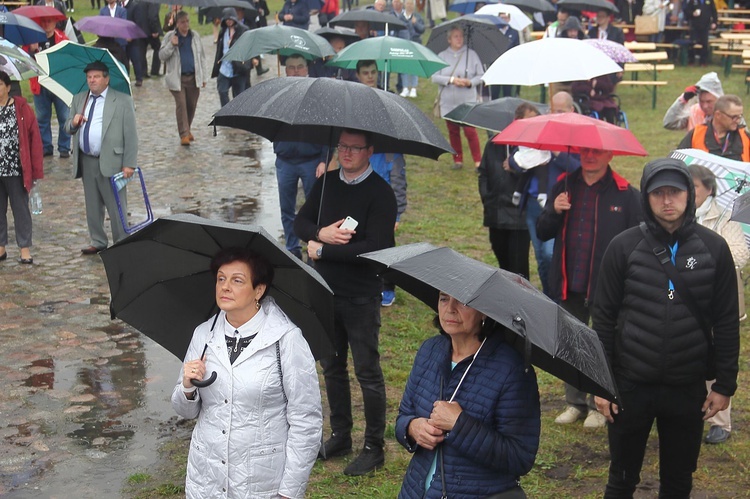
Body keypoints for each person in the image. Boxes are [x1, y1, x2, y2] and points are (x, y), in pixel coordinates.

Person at [593, 158, 740, 497]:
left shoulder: (714, 248)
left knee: (678, 480)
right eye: (658, 193)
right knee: (621, 478)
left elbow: (726, 320)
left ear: (689, 195)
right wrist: (601, 384)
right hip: (630, 386)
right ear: (646, 197)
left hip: (687, 387)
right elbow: (602, 318)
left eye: (675, 192)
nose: (667, 201)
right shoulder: (623, 247)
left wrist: (725, 385)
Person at [173, 247, 322, 499]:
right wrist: (187, 386)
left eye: (237, 280)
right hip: (206, 476)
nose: (225, 287)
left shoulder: (286, 340)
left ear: (259, 290)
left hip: (261, 482)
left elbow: (306, 420)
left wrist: (290, 490)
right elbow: (185, 412)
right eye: (221, 278)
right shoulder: (204, 334)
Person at [294, 129, 397, 476]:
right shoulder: (326, 182)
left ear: (370, 150)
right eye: (343, 147)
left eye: (355, 148)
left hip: (360, 294)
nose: (347, 153)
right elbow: (301, 222)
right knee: (332, 367)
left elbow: (377, 247)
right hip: (324, 290)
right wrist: (319, 233)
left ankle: (373, 446)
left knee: (367, 371)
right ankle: (340, 435)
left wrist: (325, 249)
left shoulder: (381, 193)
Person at [396, 293, 540, 498]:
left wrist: (459, 424)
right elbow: (403, 415)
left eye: (463, 302)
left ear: (484, 311)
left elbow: (519, 457)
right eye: (444, 299)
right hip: (415, 491)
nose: (450, 309)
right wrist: (412, 428)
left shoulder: (511, 369)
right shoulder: (429, 351)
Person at [536, 146, 641, 428]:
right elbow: (543, 231)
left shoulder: (627, 194)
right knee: (571, 344)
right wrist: (554, 211)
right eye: (585, 151)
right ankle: (575, 402)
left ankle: (599, 403)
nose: (590, 156)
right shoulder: (564, 185)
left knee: (604, 346)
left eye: (597, 152)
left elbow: (638, 244)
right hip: (570, 281)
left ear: (610, 156)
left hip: (608, 287)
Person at [688, 163, 748, 445]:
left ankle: (720, 422)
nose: (689, 192)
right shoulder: (680, 218)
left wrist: (707, 257)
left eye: (695, 187)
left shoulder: (724, 218)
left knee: (717, 355)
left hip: (719, 302)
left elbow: (739, 254)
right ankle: (690, 411)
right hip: (687, 301)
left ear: (709, 189)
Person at [64, 61, 138, 254]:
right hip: (86, 160)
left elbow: (130, 134)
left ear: (107, 78)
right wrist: (73, 122)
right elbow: (67, 128)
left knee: (116, 205)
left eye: (96, 77)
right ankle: (97, 240)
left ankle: (121, 239)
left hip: (112, 161)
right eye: (89, 77)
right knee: (92, 204)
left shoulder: (122, 101)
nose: (92, 80)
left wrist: (129, 163)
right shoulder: (80, 99)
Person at [511, 93, 580, 296]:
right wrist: (520, 163)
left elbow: (579, 168)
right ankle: (549, 298)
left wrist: (556, 153)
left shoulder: (577, 136)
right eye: (552, 110)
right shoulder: (540, 129)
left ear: (571, 111)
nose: (555, 115)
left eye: (560, 111)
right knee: (540, 256)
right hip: (533, 203)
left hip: (556, 204)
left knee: (551, 254)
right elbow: (516, 158)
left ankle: (558, 299)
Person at [354, 60, 407, 307]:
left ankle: (388, 285)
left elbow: (398, 178)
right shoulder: (354, 102)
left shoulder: (390, 101)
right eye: (365, 73)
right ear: (358, 75)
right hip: (362, 178)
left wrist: (398, 211)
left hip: (384, 172)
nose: (370, 76)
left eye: (373, 72)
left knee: (386, 244)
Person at [273, 55, 329, 259]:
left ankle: (313, 247)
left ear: (307, 69)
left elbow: (327, 128)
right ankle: (292, 247)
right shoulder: (278, 94)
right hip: (285, 160)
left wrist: (324, 158)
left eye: (299, 67)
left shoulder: (317, 95)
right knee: (286, 208)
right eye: (291, 67)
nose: (295, 71)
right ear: (285, 70)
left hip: (311, 160)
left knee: (314, 208)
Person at [478, 103, 536, 279]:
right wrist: (487, 198)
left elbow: (537, 178)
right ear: (516, 121)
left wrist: (517, 168)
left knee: (518, 268)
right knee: (502, 260)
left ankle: (522, 302)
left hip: (519, 218)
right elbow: (483, 173)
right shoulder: (494, 144)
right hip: (495, 214)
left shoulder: (535, 149)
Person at [0, 71, 44, 265]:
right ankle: (0, 246)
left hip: (16, 169)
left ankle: (24, 248)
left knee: (20, 209)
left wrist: (35, 170)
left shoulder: (22, 108)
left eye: (0, 84)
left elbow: (34, 139)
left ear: (8, 87)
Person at [432, 26, 484, 171]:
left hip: (466, 101)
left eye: (461, 36)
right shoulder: (442, 56)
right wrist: (452, 80)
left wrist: (470, 82)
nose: (459, 39)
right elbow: (435, 77)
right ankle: (458, 159)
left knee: (470, 131)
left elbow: (480, 75)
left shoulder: (471, 55)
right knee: (453, 131)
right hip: (449, 102)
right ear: (449, 40)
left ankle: (478, 161)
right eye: (455, 36)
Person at [159, 10, 208, 146]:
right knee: (181, 105)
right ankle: (184, 134)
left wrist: (203, 77)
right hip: (177, 78)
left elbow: (202, 57)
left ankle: (187, 129)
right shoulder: (170, 36)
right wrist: (171, 45)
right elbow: (161, 55)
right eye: (182, 22)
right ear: (177, 23)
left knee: (191, 105)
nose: (185, 24)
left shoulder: (195, 36)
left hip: (193, 77)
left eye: (187, 21)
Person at [25, 17, 71, 159]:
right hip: (39, 84)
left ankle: (64, 147)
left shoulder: (62, 38)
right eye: (44, 21)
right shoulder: (33, 39)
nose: (46, 24)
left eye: (49, 21)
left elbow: (68, 59)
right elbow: (24, 60)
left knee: (64, 117)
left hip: (59, 84)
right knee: (42, 119)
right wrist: (32, 51)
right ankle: (46, 146)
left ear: (55, 23)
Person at [678, 94, 750, 162]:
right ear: (718, 115)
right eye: (734, 117)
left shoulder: (745, 137)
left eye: (739, 116)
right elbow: (677, 161)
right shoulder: (696, 135)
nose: (738, 121)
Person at [212, 8, 254, 108]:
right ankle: (226, 112)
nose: (229, 21)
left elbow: (249, 47)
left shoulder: (243, 30)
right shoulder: (223, 32)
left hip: (238, 68)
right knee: (222, 91)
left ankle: (238, 115)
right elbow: (219, 49)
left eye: (231, 19)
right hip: (224, 68)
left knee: (239, 96)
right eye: (227, 19)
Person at [397, 0, 425, 97]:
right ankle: (405, 88)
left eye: (411, 4)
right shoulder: (400, 17)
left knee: (414, 67)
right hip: (403, 45)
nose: (410, 6)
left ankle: (413, 88)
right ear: (404, 5)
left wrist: (415, 23)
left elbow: (422, 29)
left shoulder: (417, 16)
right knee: (404, 68)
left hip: (415, 45)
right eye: (408, 4)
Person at [683, 0, 716, 66]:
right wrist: (692, 13)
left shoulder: (710, 1)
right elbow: (686, 11)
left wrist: (714, 22)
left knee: (704, 43)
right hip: (694, 25)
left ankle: (703, 62)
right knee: (692, 43)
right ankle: (691, 61)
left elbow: (714, 11)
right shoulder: (693, 1)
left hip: (705, 25)